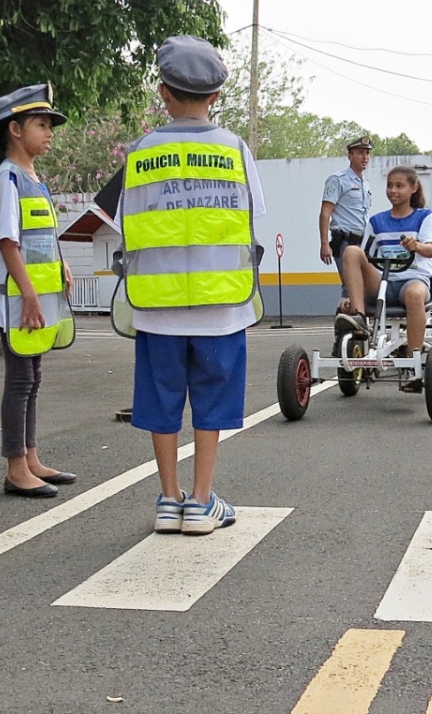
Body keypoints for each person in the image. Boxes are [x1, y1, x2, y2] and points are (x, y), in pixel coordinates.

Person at [115, 35, 266, 535]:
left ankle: (167, 497)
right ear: (216, 96)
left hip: (157, 306)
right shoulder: (234, 150)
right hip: (222, 305)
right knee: (211, 399)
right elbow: (251, 221)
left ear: (163, 92)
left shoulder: (140, 154)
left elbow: (125, 226)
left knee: (161, 400)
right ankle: (202, 501)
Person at [0, 84, 78, 499]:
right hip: (17, 300)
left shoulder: (35, 179)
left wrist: (62, 264)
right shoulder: (9, 177)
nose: (49, 132)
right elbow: (7, 242)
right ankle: (16, 467)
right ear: (15, 130)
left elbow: (39, 238)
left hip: (33, 298)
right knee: (20, 379)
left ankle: (31, 459)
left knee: (32, 378)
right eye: (41, 124)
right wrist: (31, 296)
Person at [334, 165, 432, 391]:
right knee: (351, 251)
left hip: (413, 281)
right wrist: (349, 296)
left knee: (413, 294)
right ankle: (359, 317)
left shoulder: (424, 217)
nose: (393, 190)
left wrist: (416, 245)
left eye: (399, 186)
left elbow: (430, 250)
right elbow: (362, 260)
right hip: (382, 282)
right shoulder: (377, 221)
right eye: (390, 185)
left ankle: (413, 363)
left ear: (413, 188)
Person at [319, 136, 373, 312]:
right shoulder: (338, 179)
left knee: (360, 286)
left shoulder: (365, 184)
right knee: (350, 286)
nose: (364, 157)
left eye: (367, 153)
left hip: (361, 241)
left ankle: (352, 325)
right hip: (344, 240)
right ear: (350, 156)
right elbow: (325, 212)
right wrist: (324, 243)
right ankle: (342, 330)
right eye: (360, 153)